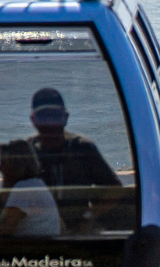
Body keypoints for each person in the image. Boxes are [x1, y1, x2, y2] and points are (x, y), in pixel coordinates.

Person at [23, 86, 124, 229]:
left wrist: (89, 216)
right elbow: (10, 195)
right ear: (33, 120)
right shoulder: (27, 151)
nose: (49, 125)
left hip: (79, 230)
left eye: (55, 117)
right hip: (40, 230)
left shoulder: (83, 148)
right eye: (43, 117)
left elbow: (114, 189)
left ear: (65, 117)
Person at [0, 140, 63, 238]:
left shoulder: (23, 189)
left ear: (15, 165)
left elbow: (5, 228)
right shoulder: (37, 185)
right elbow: (62, 226)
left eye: (3, 163)